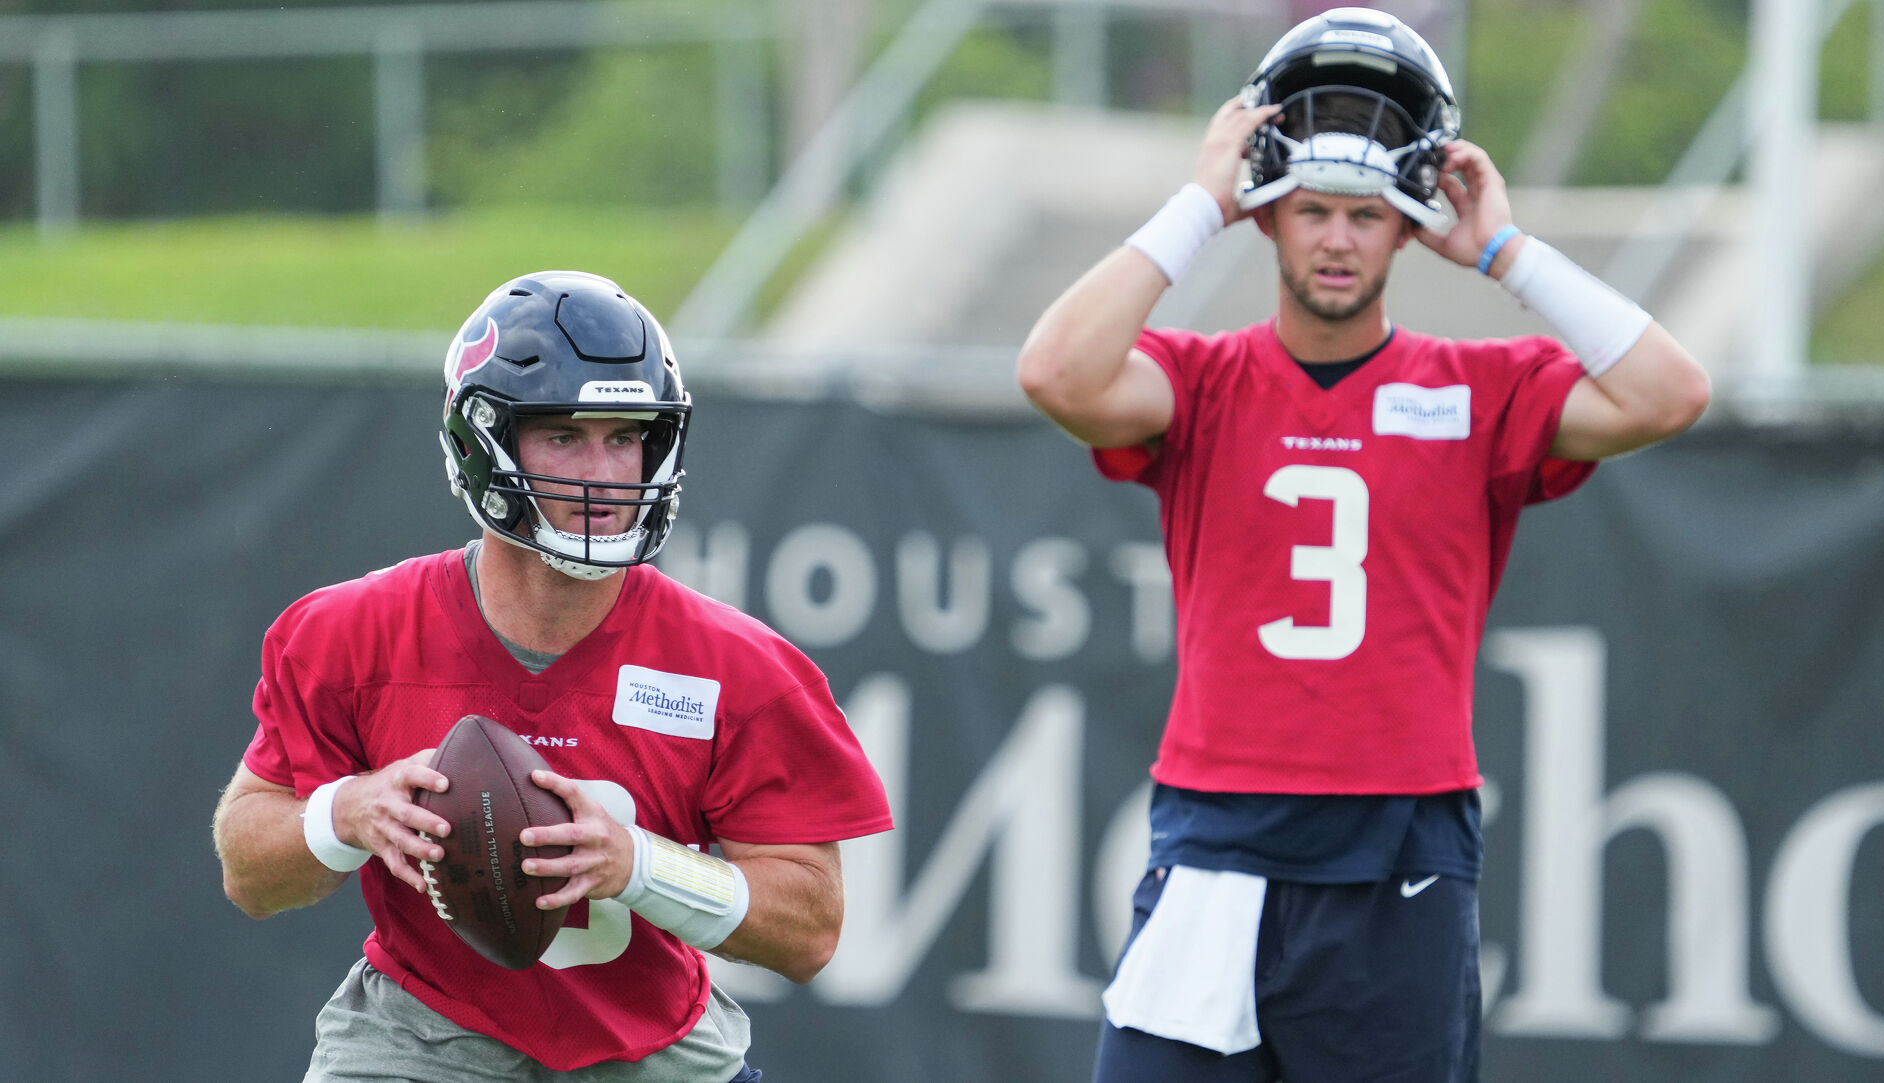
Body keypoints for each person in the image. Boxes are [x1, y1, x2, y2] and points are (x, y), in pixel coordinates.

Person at [1015, 9, 1710, 1082]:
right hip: (1217, 837)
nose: (1336, 239)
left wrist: (1503, 251)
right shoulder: (1196, 383)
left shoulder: (1478, 389)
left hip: (1400, 845)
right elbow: (1054, 373)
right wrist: (1198, 201)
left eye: (1362, 213)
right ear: (1266, 218)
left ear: (1404, 226)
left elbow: (1670, 391)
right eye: (1308, 211)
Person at [211, 270, 893, 1082]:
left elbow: (812, 929)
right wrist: (345, 811)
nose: (604, 474)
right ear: (483, 441)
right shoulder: (352, 633)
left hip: (656, 1047)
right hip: (421, 1037)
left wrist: (640, 865)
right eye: (565, 435)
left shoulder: (738, 666)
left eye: (626, 435)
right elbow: (249, 874)